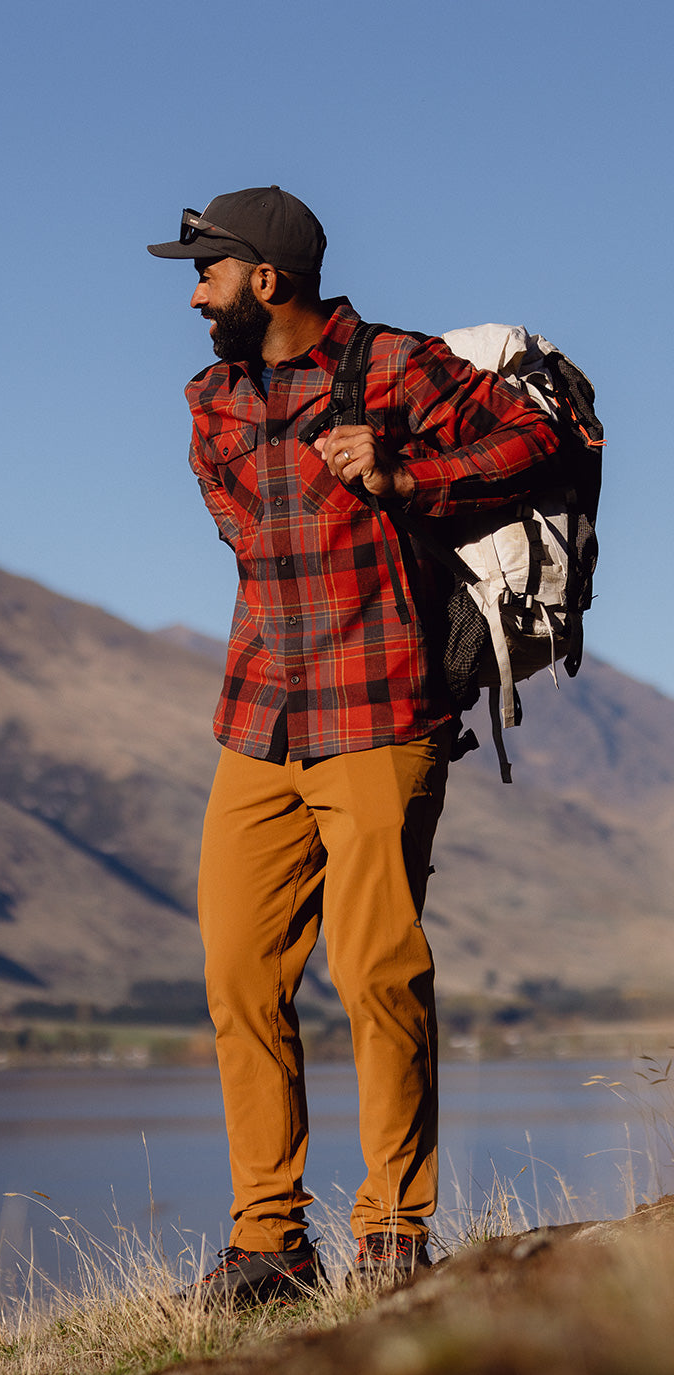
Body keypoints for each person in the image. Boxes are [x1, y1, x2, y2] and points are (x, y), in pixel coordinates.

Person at [147, 186, 559, 1304]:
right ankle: (269, 1241)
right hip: (257, 720)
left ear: (265, 279)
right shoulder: (209, 401)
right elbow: (241, 527)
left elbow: (543, 435)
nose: (194, 295)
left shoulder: (394, 367)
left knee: (377, 972)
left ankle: (391, 1233)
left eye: (207, 273)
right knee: (238, 975)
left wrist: (404, 473)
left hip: (380, 715)